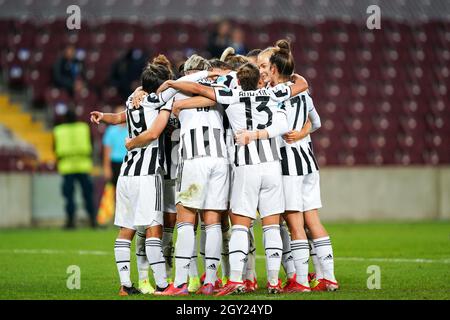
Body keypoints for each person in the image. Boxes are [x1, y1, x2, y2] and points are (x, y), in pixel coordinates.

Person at [161, 63, 308, 295]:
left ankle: (205, 282)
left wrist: (173, 85)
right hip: (267, 165)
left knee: (231, 225)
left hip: (235, 164)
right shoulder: (272, 92)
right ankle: (271, 282)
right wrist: (287, 71)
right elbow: (301, 85)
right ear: (260, 80)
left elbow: (202, 92)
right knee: (268, 226)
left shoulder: (229, 93)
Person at [257, 40, 339, 292]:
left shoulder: (273, 95)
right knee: (312, 220)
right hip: (308, 161)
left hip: (287, 163)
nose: (261, 71)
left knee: (294, 223)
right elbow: (316, 122)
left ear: (273, 69)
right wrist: (302, 132)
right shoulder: (302, 92)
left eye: (264, 66)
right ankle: (328, 278)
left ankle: (301, 281)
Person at [53, 109, 96, 229]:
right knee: (88, 195)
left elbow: (55, 148)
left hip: (67, 167)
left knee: (69, 197)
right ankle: (92, 220)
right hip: (83, 165)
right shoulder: (84, 128)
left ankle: (71, 221)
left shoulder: (59, 130)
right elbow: (91, 143)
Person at [102, 106, 128, 187]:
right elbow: (107, 150)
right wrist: (107, 168)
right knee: (115, 188)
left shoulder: (130, 129)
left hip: (128, 162)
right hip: (115, 163)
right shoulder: (111, 130)